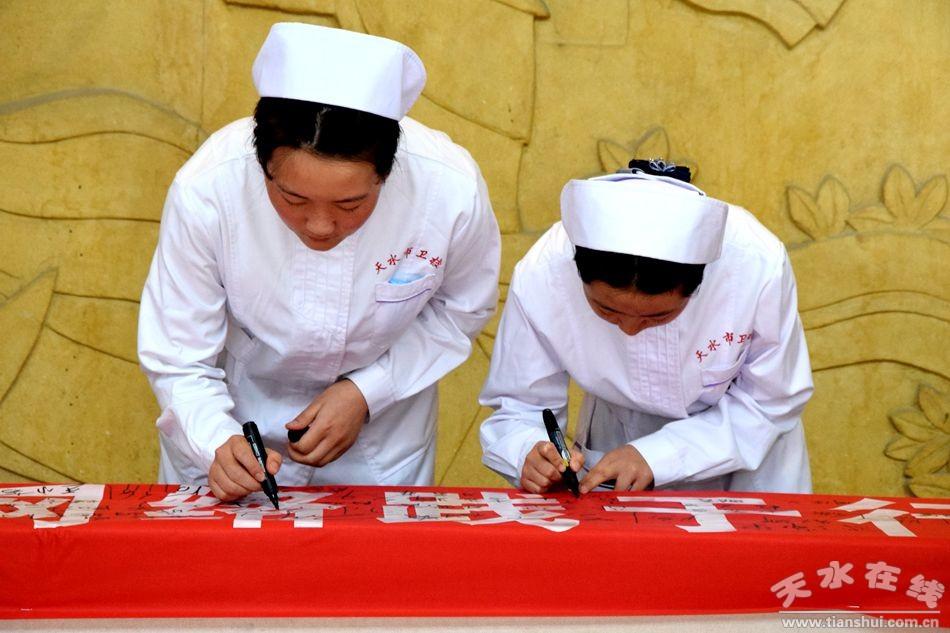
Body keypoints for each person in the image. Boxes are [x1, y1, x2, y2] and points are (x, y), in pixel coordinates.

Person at [138, 23, 500, 501]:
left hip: (381, 441)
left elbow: (459, 311)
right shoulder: (208, 189)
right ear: (260, 162)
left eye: (350, 205)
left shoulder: (448, 190)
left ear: (387, 172)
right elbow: (178, 355)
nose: (320, 226)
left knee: (367, 573)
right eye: (291, 198)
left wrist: (369, 391)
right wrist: (214, 443)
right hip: (234, 415)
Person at [479, 160, 812, 494]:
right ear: (578, 274)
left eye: (657, 317)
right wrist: (529, 451)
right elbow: (521, 404)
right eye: (606, 309)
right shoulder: (545, 272)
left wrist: (658, 455)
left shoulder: (756, 265)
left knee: (747, 547)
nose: (629, 329)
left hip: (747, 451)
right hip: (615, 433)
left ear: (698, 285)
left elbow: (770, 399)